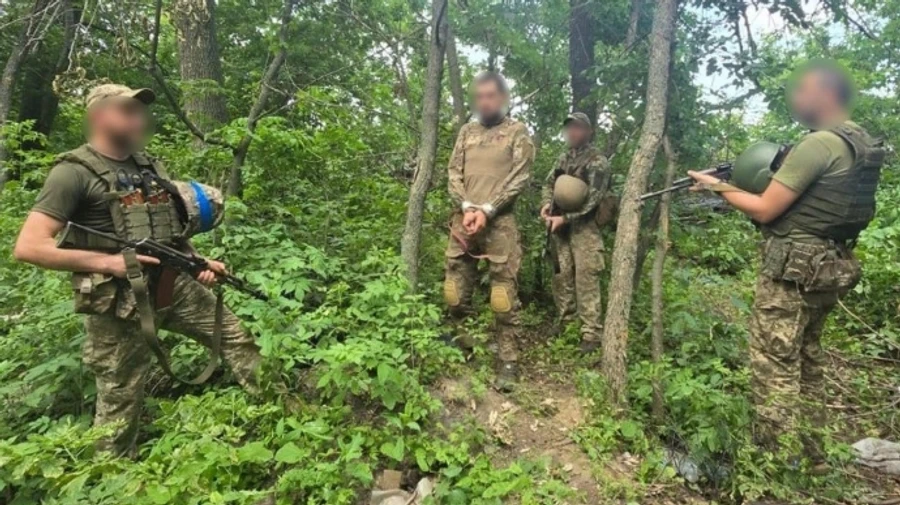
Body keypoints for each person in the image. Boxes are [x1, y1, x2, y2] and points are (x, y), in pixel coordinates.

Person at [13, 84, 264, 457]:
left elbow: (166, 228)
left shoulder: (146, 164)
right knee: (120, 397)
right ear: (99, 116)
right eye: (127, 110)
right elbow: (29, 246)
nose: (138, 118)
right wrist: (108, 262)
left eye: (139, 111)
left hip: (169, 283)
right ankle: (110, 477)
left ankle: (276, 410)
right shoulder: (72, 173)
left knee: (234, 336)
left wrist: (197, 263)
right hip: (118, 301)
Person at [689, 62, 884, 464]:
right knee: (809, 357)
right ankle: (813, 454)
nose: (796, 98)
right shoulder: (860, 142)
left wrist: (716, 186)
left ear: (827, 95)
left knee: (773, 361)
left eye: (803, 90)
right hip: (831, 264)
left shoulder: (818, 144)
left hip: (795, 269)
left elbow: (764, 209)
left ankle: (774, 462)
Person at [444, 71, 535, 391]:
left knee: (501, 296)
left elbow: (519, 177)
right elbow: (453, 173)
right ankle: (463, 343)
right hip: (464, 220)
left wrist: (488, 209)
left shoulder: (517, 132)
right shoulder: (467, 131)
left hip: (500, 224)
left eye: (491, 96)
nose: (485, 101)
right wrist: (468, 206)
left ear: (502, 98)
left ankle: (508, 362)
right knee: (454, 291)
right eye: (479, 96)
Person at [540, 112, 610, 353]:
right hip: (560, 229)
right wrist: (547, 206)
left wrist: (565, 218)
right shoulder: (563, 158)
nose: (573, 132)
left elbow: (594, 200)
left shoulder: (597, 161)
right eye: (570, 128)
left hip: (585, 230)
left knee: (586, 277)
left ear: (588, 131)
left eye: (578, 128)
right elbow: (549, 183)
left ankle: (591, 334)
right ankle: (566, 322)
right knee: (562, 275)